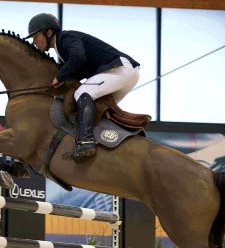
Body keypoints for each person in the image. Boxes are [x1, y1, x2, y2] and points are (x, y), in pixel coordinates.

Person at [25, 13, 140, 161]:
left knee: (82, 93)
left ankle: (86, 142)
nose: (34, 42)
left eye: (36, 37)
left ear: (48, 32)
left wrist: (60, 76)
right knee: (99, 108)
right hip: (125, 72)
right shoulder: (61, 49)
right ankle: (105, 142)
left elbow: (78, 58)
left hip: (120, 68)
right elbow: (78, 68)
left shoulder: (65, 38)